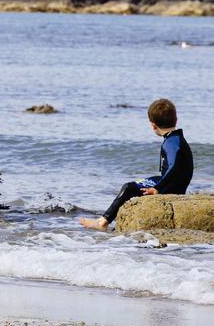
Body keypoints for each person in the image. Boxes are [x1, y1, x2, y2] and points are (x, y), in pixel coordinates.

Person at [79, 98, 193, 231]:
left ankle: (103, 222)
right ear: (176, 119)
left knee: (128, 188)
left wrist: (157, 188)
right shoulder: (176, 139)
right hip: (174, 184)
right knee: (138, 183)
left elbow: (174, 166)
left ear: (153, 125)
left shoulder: (171, 143)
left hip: (171, 187)